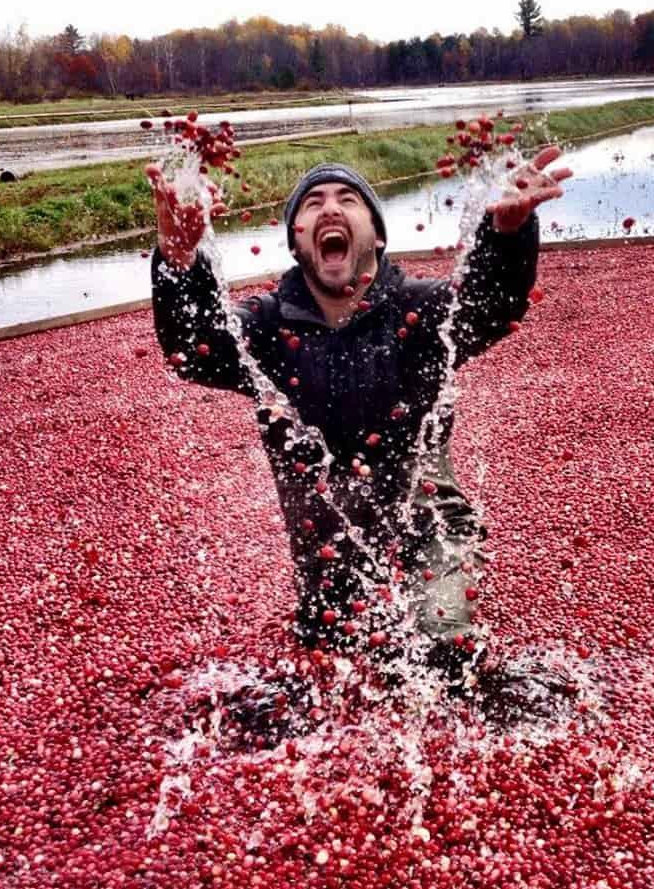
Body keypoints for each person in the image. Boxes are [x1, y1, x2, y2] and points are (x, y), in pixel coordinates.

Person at [149, 149, 571, 692]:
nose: (331, 209)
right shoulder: (267, 332)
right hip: (329, 553)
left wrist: (507, 233)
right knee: (326, 677)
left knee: (444, 657)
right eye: (313, 203)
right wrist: (180, 262)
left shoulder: (421, 314)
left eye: (349, 200)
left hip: (429, 532)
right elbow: (194, 347)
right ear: (296, 239)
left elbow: (493, 306)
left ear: (376, 232)